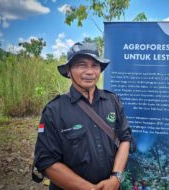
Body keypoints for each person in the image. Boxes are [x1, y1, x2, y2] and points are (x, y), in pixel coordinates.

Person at [32, 42, 132, 190]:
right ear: (68, 71)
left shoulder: (113, 101)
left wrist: (116, 178)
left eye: (94, 65)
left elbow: (125, 138)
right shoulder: (54, 110)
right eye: (81, 65)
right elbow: (46, 161)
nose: (89, 72)